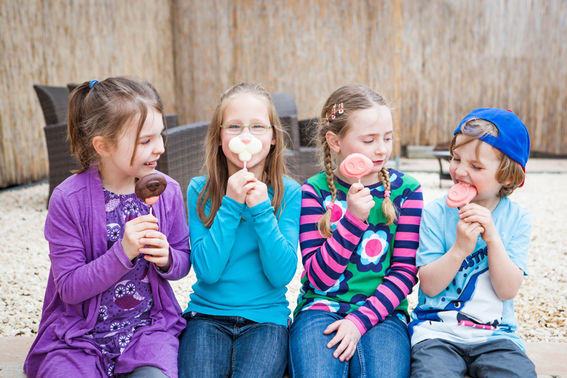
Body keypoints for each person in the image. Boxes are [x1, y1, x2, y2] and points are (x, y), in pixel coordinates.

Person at [24, 77, 191, 378]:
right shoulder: (68, 200)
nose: (160, 148)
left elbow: (183, 260)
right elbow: (71, 289)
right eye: (145, 141)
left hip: (146, 331)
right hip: (76, 337)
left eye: (160, 136)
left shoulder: (168, 192)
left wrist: (167, 257)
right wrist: (123, 252)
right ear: (103, 145)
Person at [289, 84, 424, 377]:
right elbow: (318, 278)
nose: (382, 149)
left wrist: (359, 320)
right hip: (321, 306)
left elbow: (404, 273)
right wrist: (351, 219)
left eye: (387, 138)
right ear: (335, 142)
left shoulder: (408, 191)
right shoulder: (314, 192)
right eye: (369, 139)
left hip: (384, 312)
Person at [177, 82, 301, 377]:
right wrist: (231, 204)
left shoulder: (290, 193)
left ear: (273, 138)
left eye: (257, 126)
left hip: (266, 319)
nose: (246, 136)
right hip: (206, 316)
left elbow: (281, 273)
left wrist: (261, 210)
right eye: (234, 126)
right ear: (219, 138)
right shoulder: (200, 190)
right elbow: (207, 271)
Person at [409, 108, 537, 377]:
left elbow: (507, 290)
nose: (460, 171)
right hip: (436, 333)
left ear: (509, 177)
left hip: (496, 337)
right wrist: (460, 249)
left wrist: (492, 238)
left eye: (476, 167)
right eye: (456, 159)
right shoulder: (436, 212)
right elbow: (430, 286)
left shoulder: (517, 219)